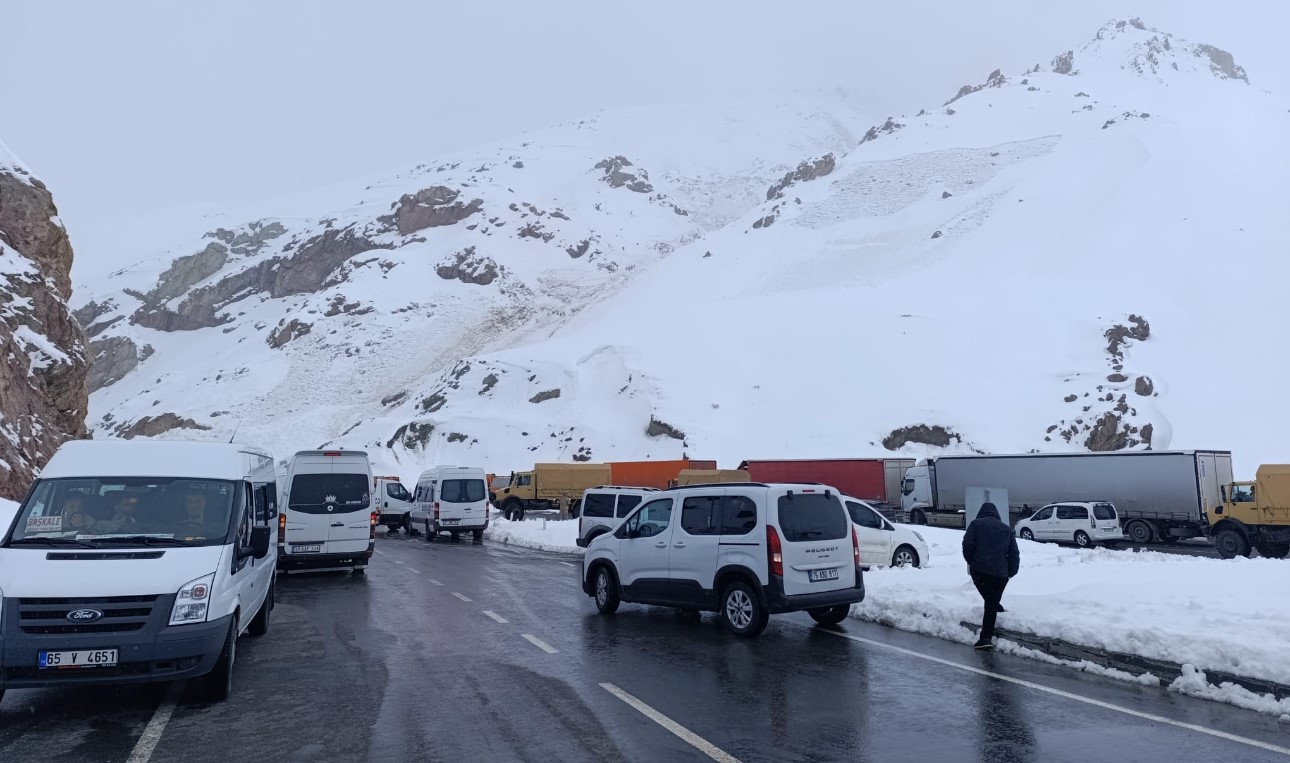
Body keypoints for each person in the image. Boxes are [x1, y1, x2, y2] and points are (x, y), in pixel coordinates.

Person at [962, 502, 1020, 650]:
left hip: (979, 571)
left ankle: (985, 638)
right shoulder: (1006, 529)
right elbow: (1014, 553)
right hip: (1000, 575)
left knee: (989, 601)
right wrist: (1010, 572)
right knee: (991, 600)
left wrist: (971, 561)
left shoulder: (975, 524)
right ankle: (995, 605)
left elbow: (967, 544)